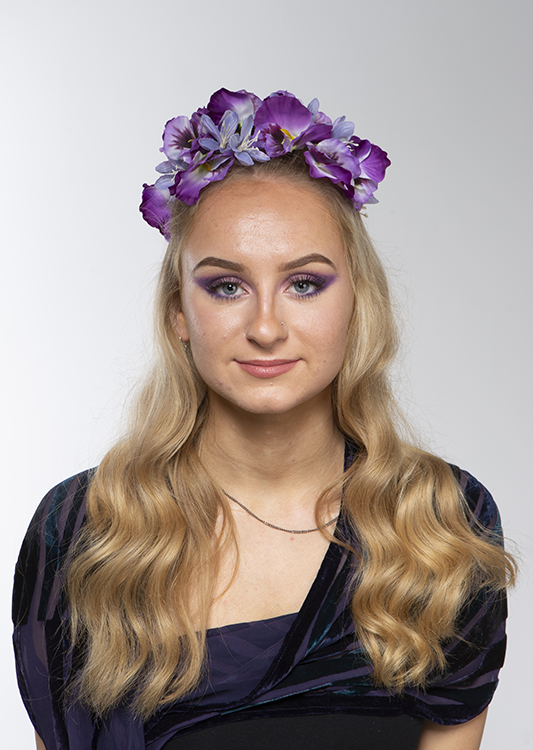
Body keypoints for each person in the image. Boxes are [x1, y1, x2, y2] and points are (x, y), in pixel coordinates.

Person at [13, 88, 515, 750]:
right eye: (226, 286)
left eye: (304, 284)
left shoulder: (437, 521)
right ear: (178, 316)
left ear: (355, 307)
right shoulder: (83, 531)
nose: (266, 327)